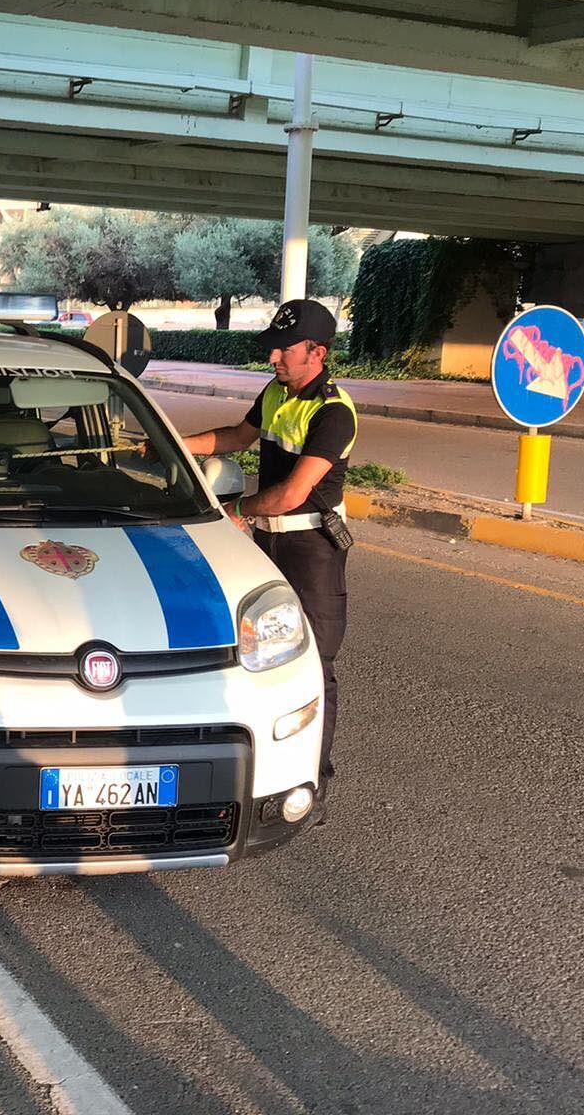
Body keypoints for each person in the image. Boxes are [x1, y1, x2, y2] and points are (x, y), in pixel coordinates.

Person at [181, 299, 356, 800]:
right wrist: (175, 445)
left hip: (311, 548)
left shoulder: (333, 412)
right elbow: (238, 436)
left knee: (314, 662)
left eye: (284, 350)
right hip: (269, 540)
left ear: (317, 352)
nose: (273, 357)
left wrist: (236, 510)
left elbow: (293, 493)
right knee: (259, 652)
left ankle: (313, 780)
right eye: (272, 348)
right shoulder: (277, 392)